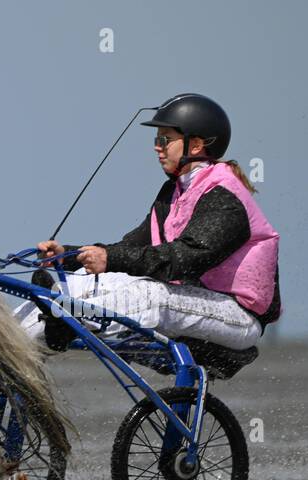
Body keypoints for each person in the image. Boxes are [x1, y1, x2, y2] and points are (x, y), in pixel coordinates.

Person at [15, 93, 280, 355]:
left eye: (165, 139)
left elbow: (185, 259)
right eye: (157, 139)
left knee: (152, 295)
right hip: (192, 298)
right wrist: (67, 257)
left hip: (237, 314)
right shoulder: (174, 193)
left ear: (196, 145)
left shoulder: (225, 198)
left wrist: (111, 258)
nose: (157, 146)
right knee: (81, 281)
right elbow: (128, 249)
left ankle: (70, 320)